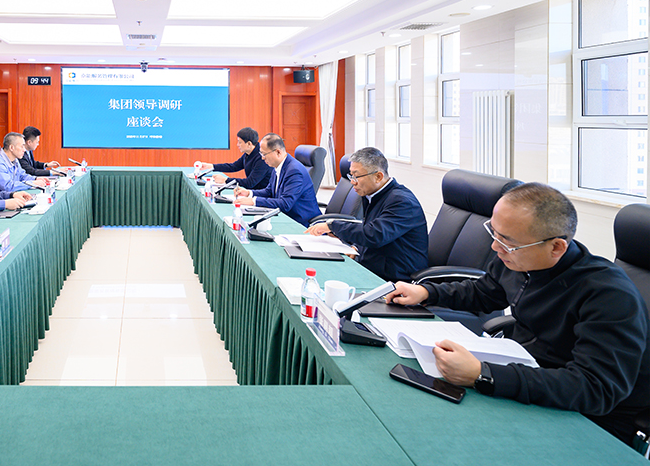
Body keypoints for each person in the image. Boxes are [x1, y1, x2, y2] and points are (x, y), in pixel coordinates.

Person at [385, 183, 650, 446]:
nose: (495, 247)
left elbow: (595, 389)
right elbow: (484, 292)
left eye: (507, 242)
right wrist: (427, 292)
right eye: (494, 233)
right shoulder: (518, 258)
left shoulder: (609, 295)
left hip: (592, 416)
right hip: (530, 374)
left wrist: (483, 374)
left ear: (556, 247)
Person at [306, 147, 428, 282]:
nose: (352, 182)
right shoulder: (372, 195)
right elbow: (371, 227)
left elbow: (375, 234)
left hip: (395, 279)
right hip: (374, 265)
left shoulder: (402, 202)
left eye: (356, 176)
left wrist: (333, 226)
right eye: (351, 176)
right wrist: (356, 246)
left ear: (378, 177)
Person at [233, 133, 318, 228]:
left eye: (264, 154)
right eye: (261, 154)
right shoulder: (278, 166)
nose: (262, 158)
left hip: (301, 223)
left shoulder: (294, 171)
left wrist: (254, 201)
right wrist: (249, 193)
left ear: (278, 152)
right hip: (284, 217)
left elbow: (285, 204)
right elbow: (269, 191)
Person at [196, 127, 273, 189]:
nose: (237, 145)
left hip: (261, 195)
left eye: (240, 142)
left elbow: (250, 183)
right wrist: (211, 166)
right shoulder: (248, 154)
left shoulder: (262, 158)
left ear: (249, 144)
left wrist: (226, 180)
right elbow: (234, 166)